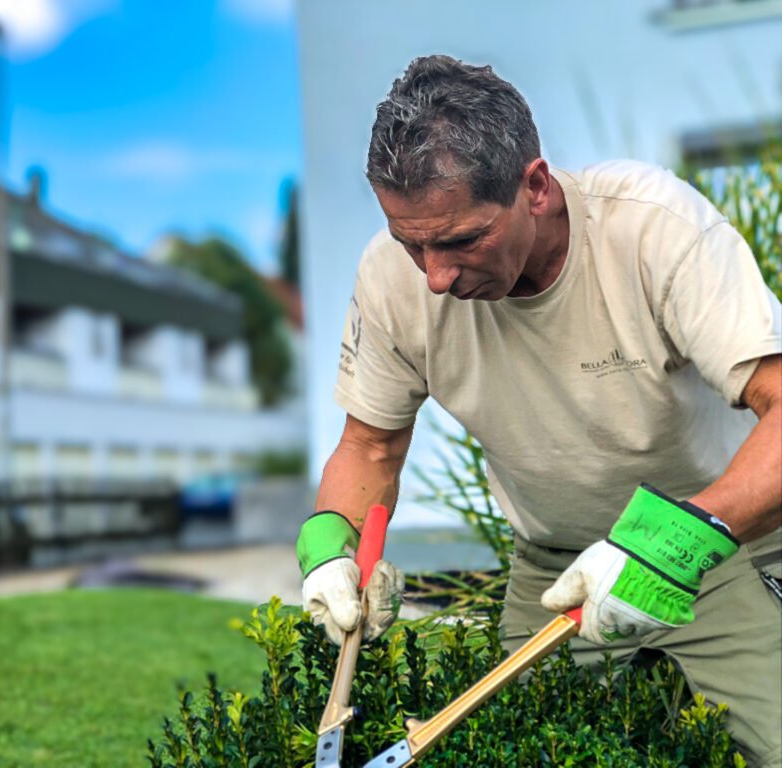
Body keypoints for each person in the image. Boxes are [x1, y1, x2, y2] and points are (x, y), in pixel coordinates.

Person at [294, 55, 781, 766]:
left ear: (537, 187)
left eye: (462, 241)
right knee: (523, 750)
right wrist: (326, 547)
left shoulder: (651, 228)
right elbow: (369, 448)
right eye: (412, 244)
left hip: (714, 548)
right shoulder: (391, 278)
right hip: (555, 569)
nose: (434, 277)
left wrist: (676, 545)